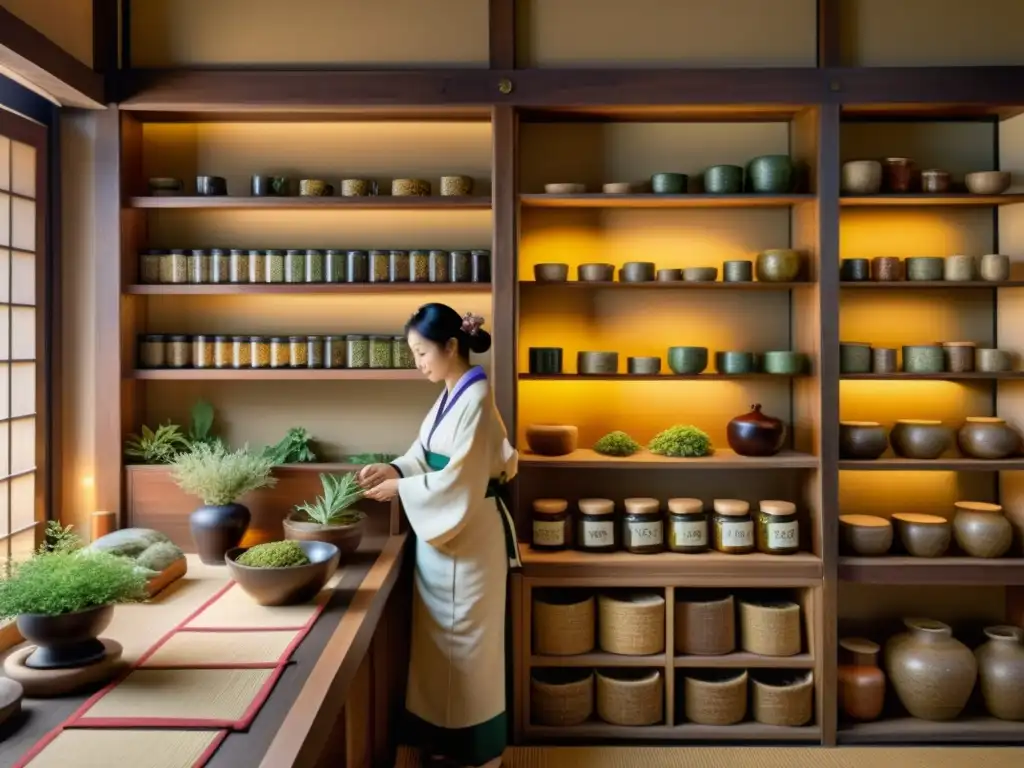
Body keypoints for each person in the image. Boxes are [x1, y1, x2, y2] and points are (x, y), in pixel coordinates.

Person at [358, 303, 520, 768]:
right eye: (413, 353)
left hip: (468, 541)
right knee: (441, 648)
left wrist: (403, 487)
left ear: (452, 346)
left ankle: (476, 753)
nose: (419, 363)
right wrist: (394, 468)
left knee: (469, 647)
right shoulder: (453, 392)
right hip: (445, 538)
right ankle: (445, 743)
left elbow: (460, 478)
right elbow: (424, 452)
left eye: (422, 352)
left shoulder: (475, 398)